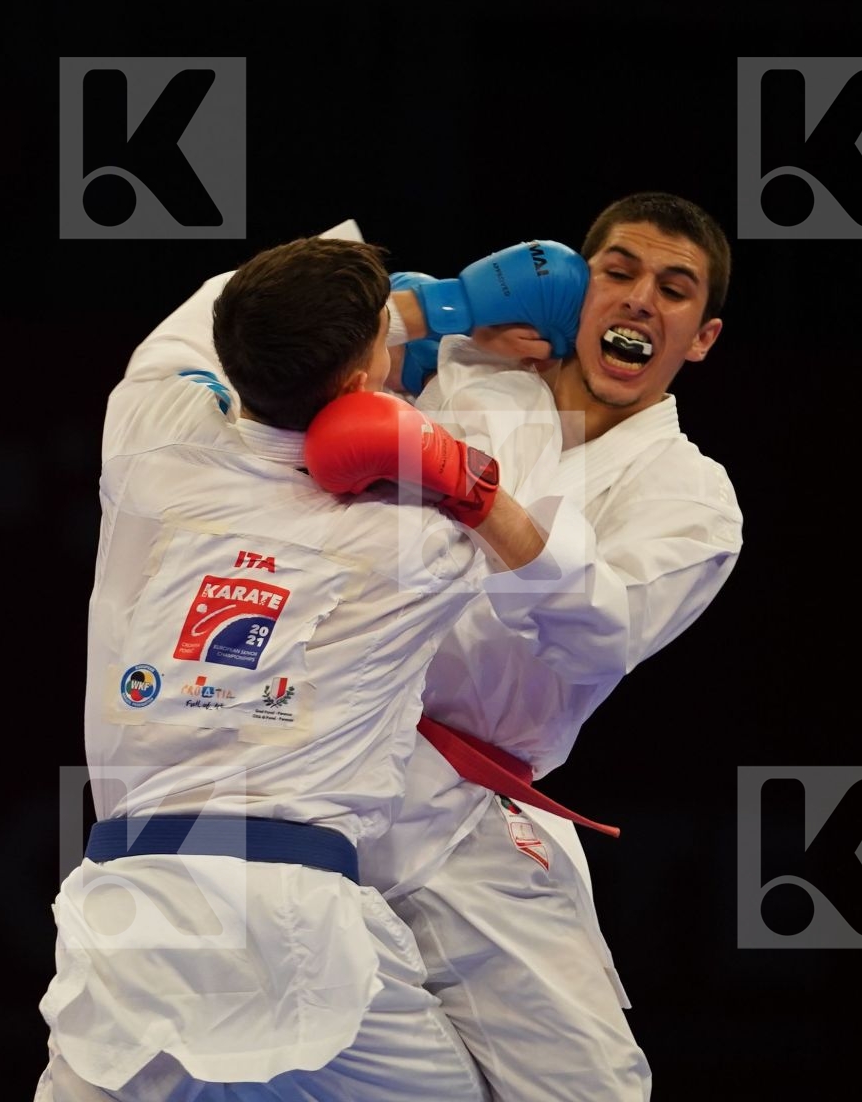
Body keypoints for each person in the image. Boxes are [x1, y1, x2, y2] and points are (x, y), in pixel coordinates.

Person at [35, 222, 620, 1100]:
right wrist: (478, 455)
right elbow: (585, 614)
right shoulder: (410, 538)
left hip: (129, 914)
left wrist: (426, 304)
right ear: (359, 380)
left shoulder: (151, 440)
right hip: (296, 927)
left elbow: (194, 324)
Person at [352, 192, 743, 1100]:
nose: (642, 299)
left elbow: (600, 631)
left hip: (463, 811)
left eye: (674, 289)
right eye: (619, 272)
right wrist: (429, 311)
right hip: (327, 754)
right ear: (579, 290)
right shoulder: (465, 373)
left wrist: (479, 499)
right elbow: (268, 351)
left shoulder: (692, 499)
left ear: (702, 338)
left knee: (593, 1090)